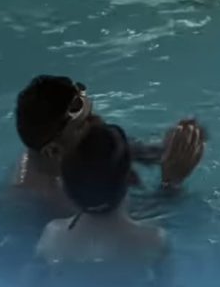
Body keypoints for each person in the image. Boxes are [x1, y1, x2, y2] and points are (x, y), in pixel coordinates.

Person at [13, 75, 206, 212]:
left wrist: (169, 148)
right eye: (84, 123)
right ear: (53, 151)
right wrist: (171, 184)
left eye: (92, 113)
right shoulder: (53, 198)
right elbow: (130, 229)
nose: (99, 122)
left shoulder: (64, 153)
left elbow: (120, 152)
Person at [36, 123, 165, 266]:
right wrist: (171, 185)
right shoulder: (154, 241)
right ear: (131, 179)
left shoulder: (53, 236)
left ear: (65, 186)